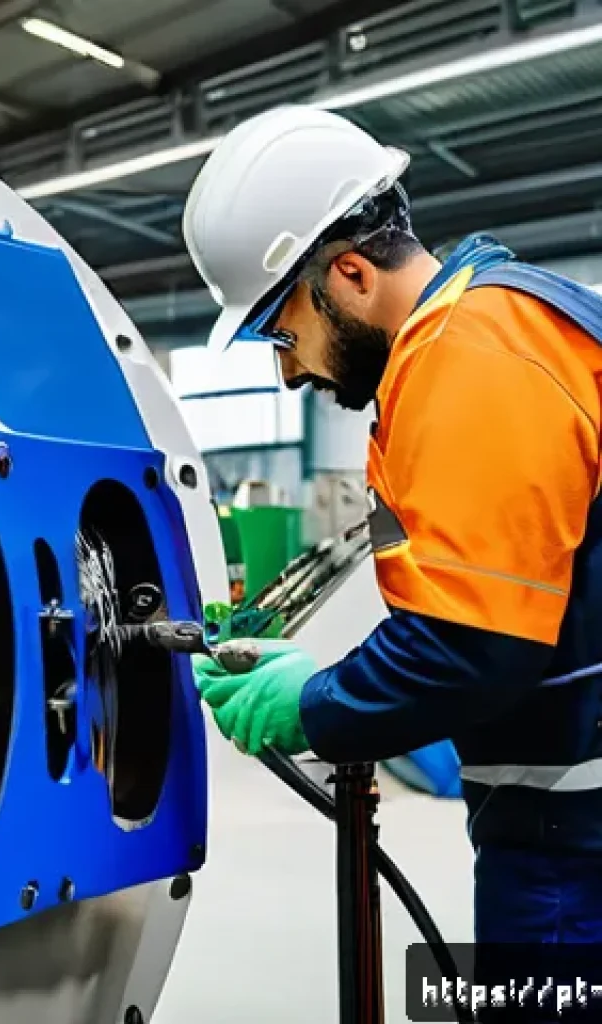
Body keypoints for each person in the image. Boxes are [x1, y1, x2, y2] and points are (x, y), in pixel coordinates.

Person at [182, 105, 602, 964]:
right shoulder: (493, 332)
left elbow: (474, 644)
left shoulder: (474, 356)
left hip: (579, 852)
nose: (288, 367)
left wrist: (314, 703)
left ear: (348, 275)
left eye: (281, 329)